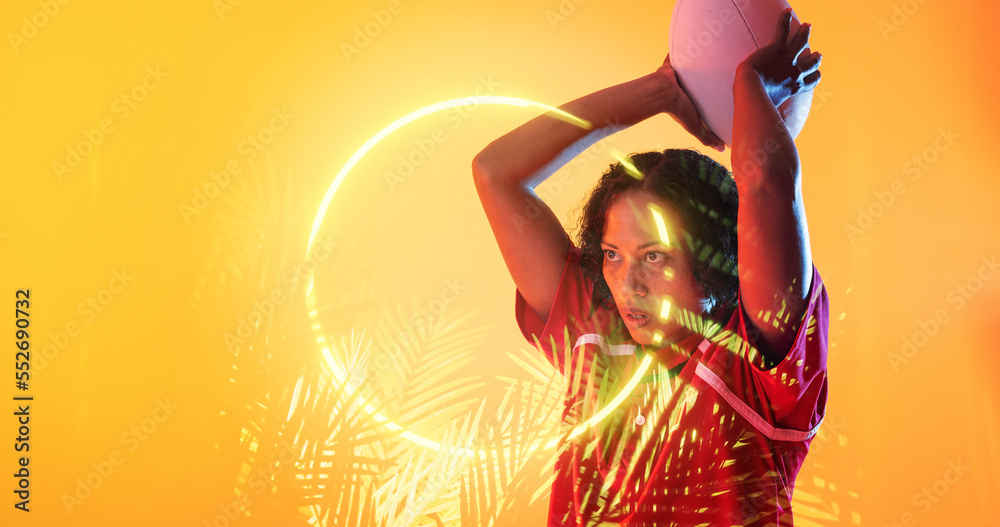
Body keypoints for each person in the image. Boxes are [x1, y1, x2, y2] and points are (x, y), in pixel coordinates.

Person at [472, 9, 829, 526]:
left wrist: (747, 82)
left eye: (654, 256)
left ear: (715, 262)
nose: (627, 283)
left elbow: (766, 179)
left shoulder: (757, 363)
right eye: (612, 255)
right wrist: (661, 90)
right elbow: (495, 173)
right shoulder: (595, 336)